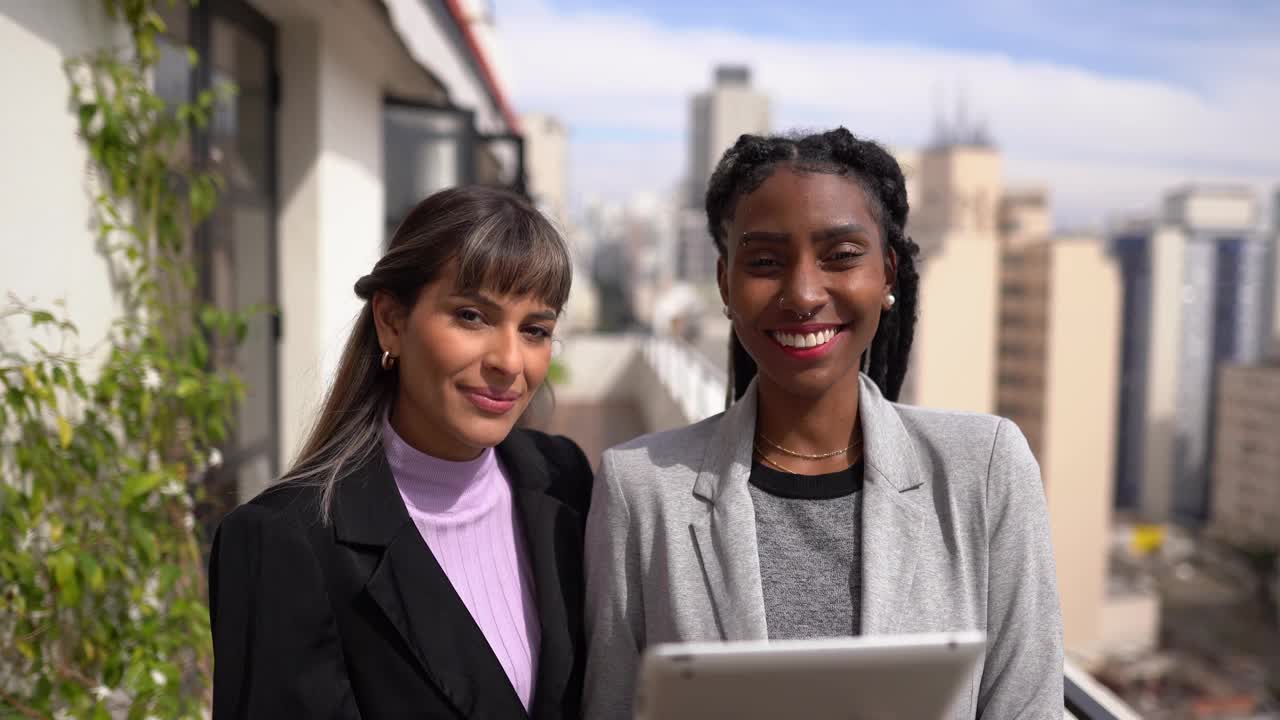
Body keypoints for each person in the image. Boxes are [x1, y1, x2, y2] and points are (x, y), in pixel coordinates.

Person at [583, 129, 1063, 719]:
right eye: (764, 262)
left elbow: (1028, 709)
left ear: (887, 273)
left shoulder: (984, 470)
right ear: (724, 283)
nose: (804, 293)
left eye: (840, 256)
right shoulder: (640, 489)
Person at [208, 186, 593, 719]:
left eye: (535, 330)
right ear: (391, 320)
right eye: (472, 316)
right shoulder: (284, 540)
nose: (509, 361)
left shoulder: (563, 479)